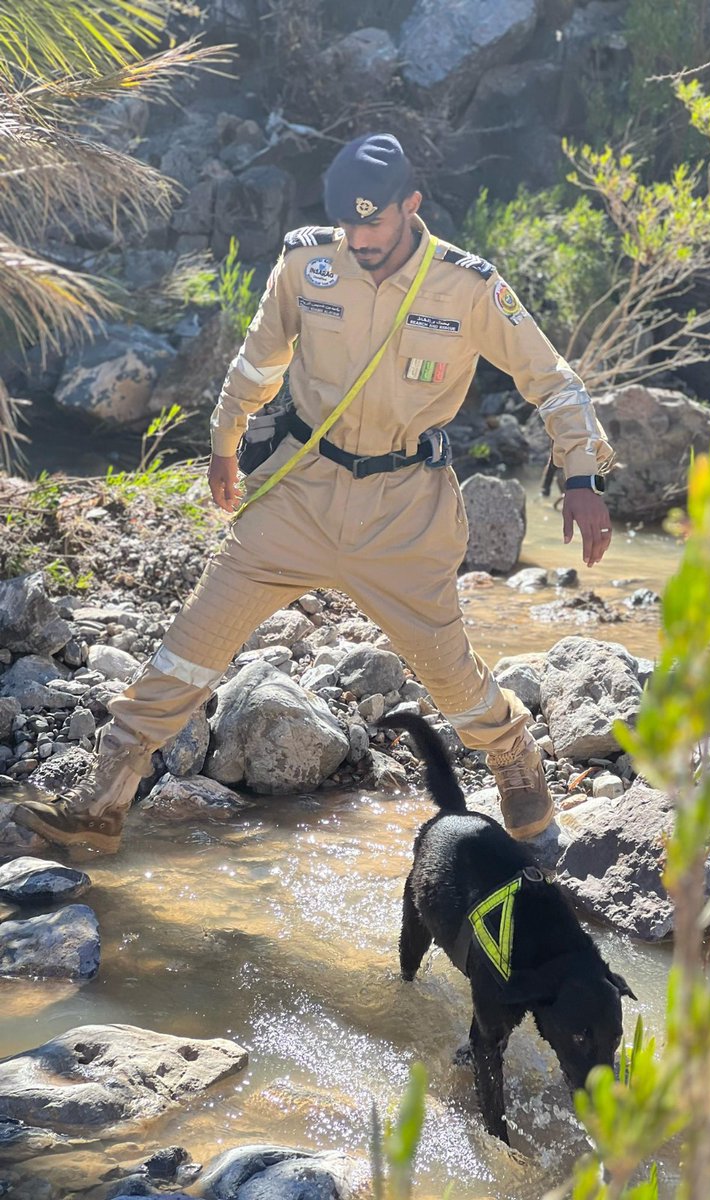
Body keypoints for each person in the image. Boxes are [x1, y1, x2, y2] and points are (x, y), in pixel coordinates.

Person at [13, 133, 615, 855]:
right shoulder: (308, 262)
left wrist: (580, 474)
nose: (360, 239)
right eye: (348, 223)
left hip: (405, 512)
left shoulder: (468, 285)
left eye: (375, 222)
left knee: (451, 681)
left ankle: (514, 751)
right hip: (299, 493)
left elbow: (550, 379)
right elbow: (260, 357)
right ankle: (102, 802)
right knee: (189, 646)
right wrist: (224, 438)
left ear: (411, 206)